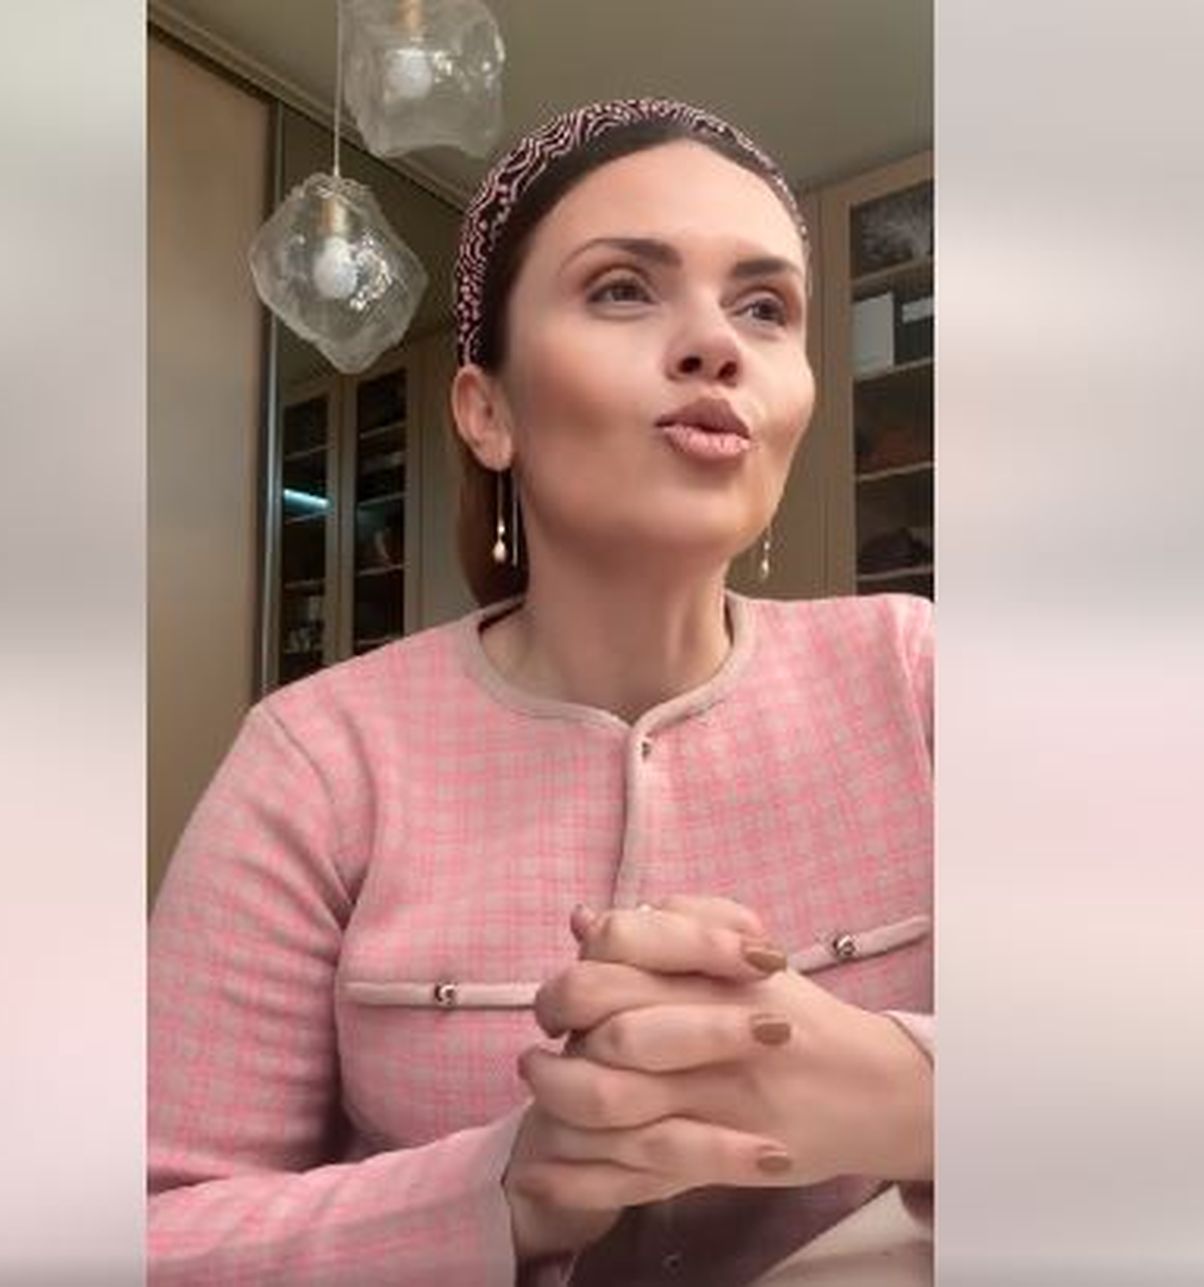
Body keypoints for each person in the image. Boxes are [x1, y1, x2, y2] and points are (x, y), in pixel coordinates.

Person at [148, 98, 933, 1286]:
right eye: (622, 288)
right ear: (489, 411)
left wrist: (910, 1096)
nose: (714, 344)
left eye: (765, 307)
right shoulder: (317, 757)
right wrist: (503, 1190)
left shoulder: (916, 678)